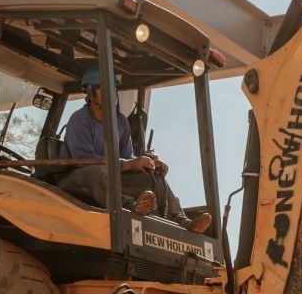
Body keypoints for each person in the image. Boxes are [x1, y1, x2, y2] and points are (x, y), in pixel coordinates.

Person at [58, 67, 211, 234]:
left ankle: (183, 221)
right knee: (98, 172)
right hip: (76, 179)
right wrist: (129, 164)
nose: (112, 93)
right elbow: (83, 160)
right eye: (106, 88)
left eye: (114, 88)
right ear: (90, 92)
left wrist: (144, 162)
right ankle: (131, 207)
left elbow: (127, 157)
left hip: (108, 176)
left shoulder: (120, 122)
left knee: (153, 177)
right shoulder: (79, 120)